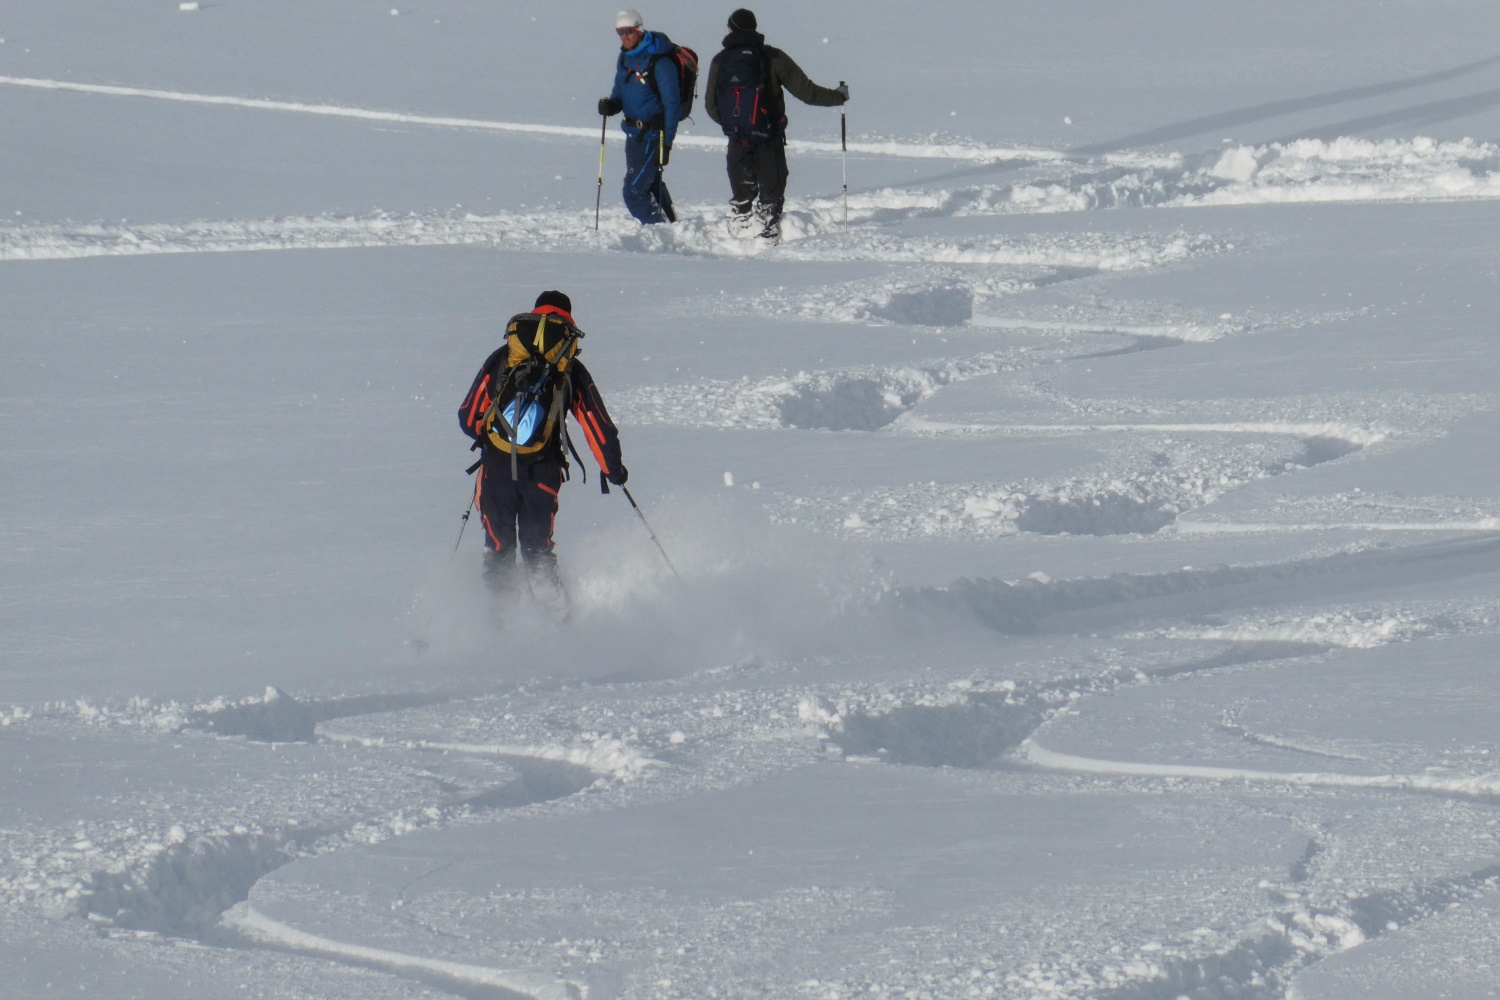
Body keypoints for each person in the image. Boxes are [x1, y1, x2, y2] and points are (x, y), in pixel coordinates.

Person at [457, 291, 627, 617]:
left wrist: (491, 436)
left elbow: (468, 416)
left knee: (498, 549)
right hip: (543, 472)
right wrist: (613, 469)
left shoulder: (506, 354)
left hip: (496, 470)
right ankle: (558, 627)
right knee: (537, 551)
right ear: (567, 318)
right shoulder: (569, 366)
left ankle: (495, 630)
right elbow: (596, 424)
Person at [704, 8, 848, 243]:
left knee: (742, 193)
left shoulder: (720, 61)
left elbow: (711, 105)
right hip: (768, 136)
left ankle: (739, 232)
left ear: (730, 29)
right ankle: (768, 232)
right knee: (771, 192)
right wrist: (838, 96)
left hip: (737, 140)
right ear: (754, 29)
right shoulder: (773, 57)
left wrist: (735, 124)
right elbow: (807, 92)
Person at [597, 8, 681, 225]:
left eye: (629, 31)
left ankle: (658, 230)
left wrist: (667, 144)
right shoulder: (624, 58)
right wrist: (611, 105)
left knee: (634, 191)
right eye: (620, 32)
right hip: (633, 134)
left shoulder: (659, 61)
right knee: (649, 183)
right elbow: (619, 92)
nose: (624, 36)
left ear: (639, 30)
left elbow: (672, 106)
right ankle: (673, 226)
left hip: (653, 135)